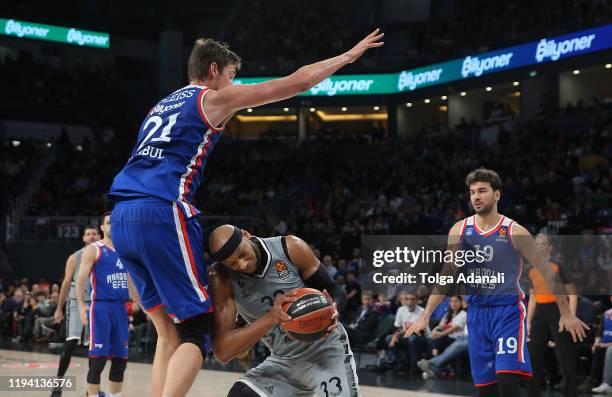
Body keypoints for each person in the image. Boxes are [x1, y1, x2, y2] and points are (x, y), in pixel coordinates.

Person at [106, 29, 383, 397]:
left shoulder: (161, 105)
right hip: (161, 210)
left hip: (121, 215)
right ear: (215, 70)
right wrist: (347, 57)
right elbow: (297, 81)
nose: (233, 84)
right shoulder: (210, 99)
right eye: (232, 76)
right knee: (195, 330)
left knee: (166, 331)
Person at [405, 168, 589, 397]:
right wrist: (425, 315)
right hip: (477, 315)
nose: (476, 197)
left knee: (506, 379)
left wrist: (566, 313)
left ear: (497, 195)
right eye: (472, 192)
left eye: (482, 191)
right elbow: (446, 275)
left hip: (507, 313)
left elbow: (548, 273)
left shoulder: (515, 231)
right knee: (486, 389)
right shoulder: (459, 230)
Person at [208, 225, 357, 397]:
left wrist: (334, 309)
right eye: (232, 264)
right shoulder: (222, 278)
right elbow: (223, 351)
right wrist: (271, 317)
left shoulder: (290, 248)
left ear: (246, 235)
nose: (242, 264)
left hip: (325, 352)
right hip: (284, 361)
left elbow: (334, 289)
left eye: (242, 254)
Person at [76, 212, 131, 397]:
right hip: (100, 308)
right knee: (98, 361)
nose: (112, 226)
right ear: (102, 227)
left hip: (121, 308)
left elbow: (132, 282)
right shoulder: (94, 249)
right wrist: (81, 305)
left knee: (120, 361)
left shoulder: (127, 250)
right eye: (108, 223)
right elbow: (81, 280)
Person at [51, 225, 100, 397]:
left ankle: (91, 390)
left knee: (94, 348)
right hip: (75, 302)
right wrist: (59, 308)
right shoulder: (75, 257)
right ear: (84, 238)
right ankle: (58, 385)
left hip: (96, 303)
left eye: (94, 233)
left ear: (99, 236)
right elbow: (65, 283)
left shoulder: (105, 254)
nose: (92, 236)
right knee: (71, 343)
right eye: (88, 234)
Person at [526, 234, 578, 397]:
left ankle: (570, 393)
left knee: (564, 355)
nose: (540, 246)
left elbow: (573, 294)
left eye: (543, 244)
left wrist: (569, 317)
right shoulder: (531, 269)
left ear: (550, 247)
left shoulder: (558, 266)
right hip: (539, 314)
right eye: (537, 244)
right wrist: (528, 321)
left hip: (558, 312)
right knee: (534, 356)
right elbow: (533, 298)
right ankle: (533, 393)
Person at [418, 296, 468, 379]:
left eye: (456, 301)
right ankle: (434, 368)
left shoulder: (463, 314)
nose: (454, 303)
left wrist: (440, 334)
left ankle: (432, 364)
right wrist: (434, 331)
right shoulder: (447, 314)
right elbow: (440, 326)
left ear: (461, 303)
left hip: (455, 337)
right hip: (450, 338)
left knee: (440, 339)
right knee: (433, 339)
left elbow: (454, 328)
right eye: (452, 301)